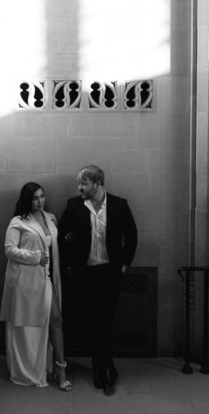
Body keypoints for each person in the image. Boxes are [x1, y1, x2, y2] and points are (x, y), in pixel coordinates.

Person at [58, 165, 137, 396]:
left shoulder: (119, 205)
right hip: (86, 275)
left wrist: (124, 264)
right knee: (93, 322)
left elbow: (131, 235)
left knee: (107, 320)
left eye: (83, 183)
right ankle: (101, 369)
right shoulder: (74, 205)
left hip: (110, 273)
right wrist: (72, 265)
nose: (79, 188)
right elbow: (62, 235)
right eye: (79, 184)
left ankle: (105, 365)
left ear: (97, 183)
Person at [0, 182, 71, 391]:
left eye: (42, 196)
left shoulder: (50, 218)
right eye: (35, 198)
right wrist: (35, 257)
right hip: (26, 282)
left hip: (47, 277)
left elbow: (55, 245)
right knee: (30, 325)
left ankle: (61, 368)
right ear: (26, 200)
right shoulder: (18, 221)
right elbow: (9, 250)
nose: (40, 200)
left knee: (57, 319)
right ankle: (29, 368)